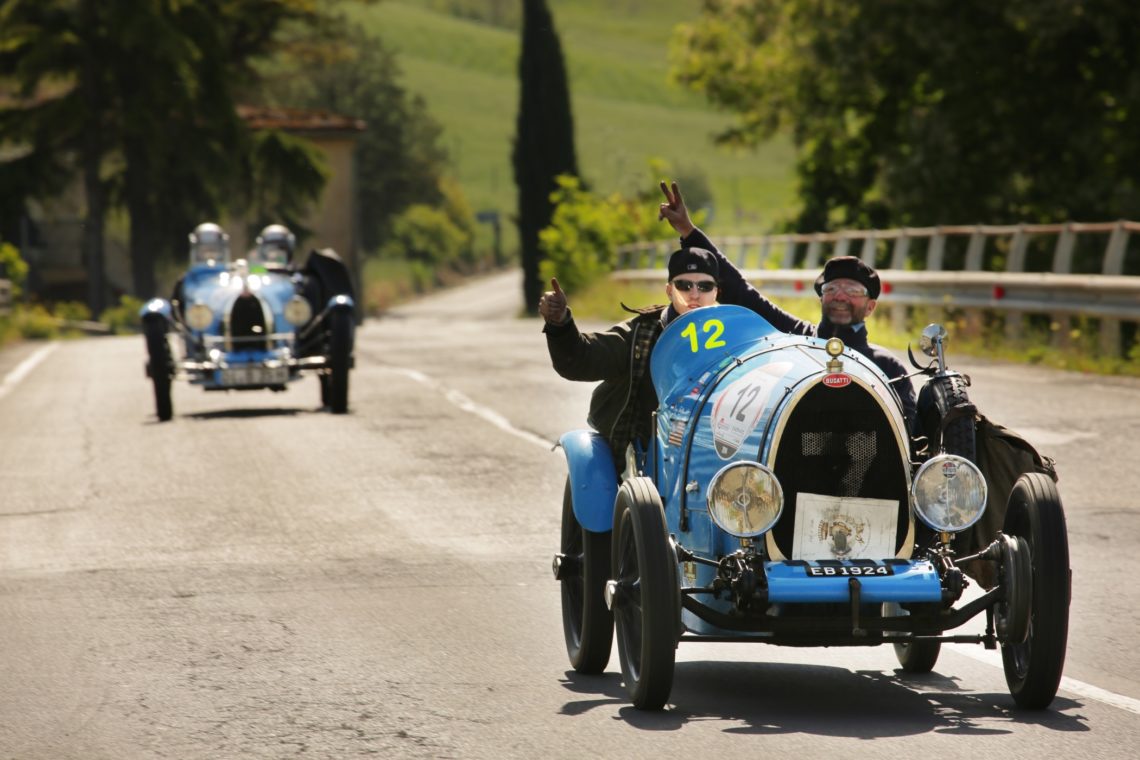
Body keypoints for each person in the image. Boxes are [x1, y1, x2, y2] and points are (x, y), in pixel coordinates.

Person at [659, 185, 918, 427]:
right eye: (832, 289)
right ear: (821, 297)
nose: (840, 296)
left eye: (852, 291)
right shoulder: (795, 339)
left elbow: (907, 438)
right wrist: (687, 230)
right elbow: (741, 292)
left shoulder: (888, 368)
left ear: (870, 306)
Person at [540, 181, 757, 468]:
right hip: (645, 455)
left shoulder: (737, 337)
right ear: (669, 290)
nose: (694, 293)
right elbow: (581, 360)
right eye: (684, 285)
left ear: (716, 292)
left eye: (704, 286)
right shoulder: (641, 333)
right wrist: (560, 323)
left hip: (717, 454)